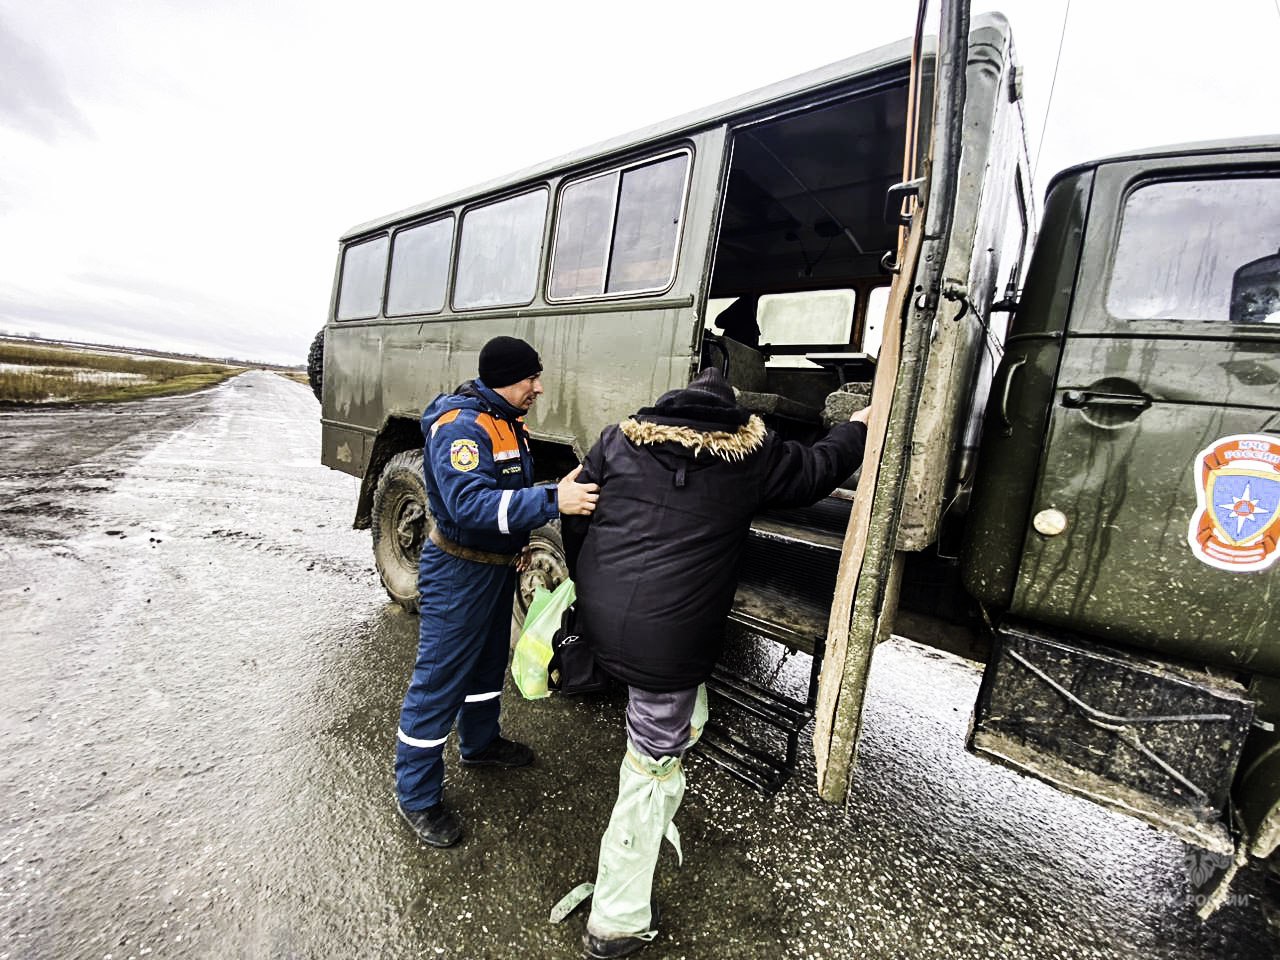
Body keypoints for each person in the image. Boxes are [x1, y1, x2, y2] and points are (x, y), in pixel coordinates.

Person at [563, 367, 869, 958]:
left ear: (665, 407)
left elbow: (578, 513)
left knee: (657, 697)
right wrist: (855, 428)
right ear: (730, 418)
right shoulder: (752, 456)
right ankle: (615, 921)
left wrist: (590, 579)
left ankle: (674, 729)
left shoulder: (616, 440)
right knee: (650, 769)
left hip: (604, 613)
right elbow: (817, 470)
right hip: (672, 642)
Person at [395, 335, 599, 848]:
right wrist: (555, 499)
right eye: (531, 378)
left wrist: (556, 487)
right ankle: (416, 796)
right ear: (506, 378)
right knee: (441, 677)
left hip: (493, 566)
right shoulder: (461, 428)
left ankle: (480, 744)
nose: (539, 387)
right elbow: (470, 505)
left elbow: (507, 491)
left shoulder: (505, 421)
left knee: (486, 664)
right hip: (458, 572)